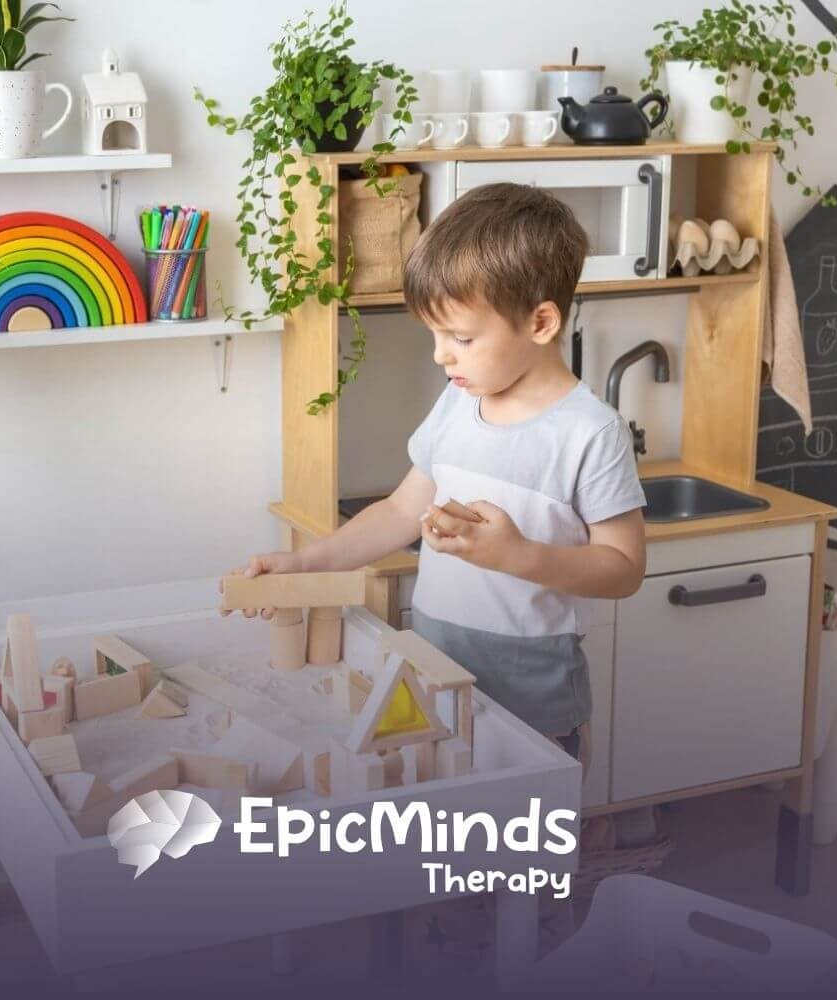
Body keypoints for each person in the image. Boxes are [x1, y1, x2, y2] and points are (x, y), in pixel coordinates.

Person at [226, 182, 647, 759]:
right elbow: (401, 511)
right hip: (434, 676)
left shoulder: (591, 432)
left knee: (522, 845)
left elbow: (624, 569)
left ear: (542, 322)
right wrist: (304, 563)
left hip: (535, 702)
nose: (440, 355)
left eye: (461, 337)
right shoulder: (457, 402)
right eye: (435, 334)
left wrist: (515, 554)